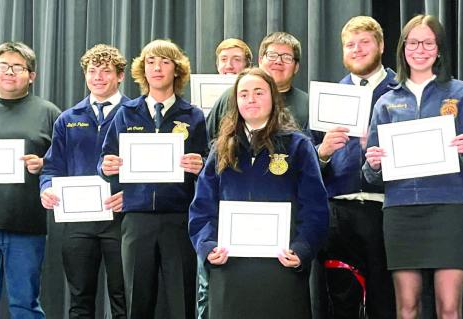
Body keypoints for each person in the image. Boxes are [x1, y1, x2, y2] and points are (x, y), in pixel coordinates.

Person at [188, 67, 329, 319]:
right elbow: (202, 207)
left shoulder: (298, 145)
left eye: (258, 92)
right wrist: (207, 246)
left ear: (273, 98)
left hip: (281, 268)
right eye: (243, 94)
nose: (250, 99)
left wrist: (302, 248)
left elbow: (316, 208)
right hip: (229, 267)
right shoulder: (221, 148)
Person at [363, 14, 463, 319]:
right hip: (401, 210)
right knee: (407, 308)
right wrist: (373, 163)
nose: (420, 49)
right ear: (402, 48)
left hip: (449, 207)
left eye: (429, 42)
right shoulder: (386, 102)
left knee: (450, 308)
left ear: (439, 49)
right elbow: (371, 175)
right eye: (413, 42)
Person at [99, 39, 208, 319]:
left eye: (165, 62)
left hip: (179, 218)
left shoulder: (193, 115)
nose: (157, 68)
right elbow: (106, 159)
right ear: (142, 70)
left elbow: (209, 166)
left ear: (177, 70)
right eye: (150, 62)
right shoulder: (126, 112)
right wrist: (107, 167)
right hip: (137, 219)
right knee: (137, 298)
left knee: (182, 298)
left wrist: (202, 165)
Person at [312, 16, 396, 319]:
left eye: (364, 42)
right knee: (340, 299)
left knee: (385, 299)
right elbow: (310, 163)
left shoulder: (401, 91)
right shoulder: (330, 95)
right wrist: (322, 152)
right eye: (350, 44)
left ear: (381, 46)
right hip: (339, 211)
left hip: (387, 209)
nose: (357, 50)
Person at [39, 44, 128, 318]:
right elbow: (52, 166)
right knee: (80, 300)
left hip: (121, 220)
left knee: (123, 298)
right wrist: (46, 188)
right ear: (85, 75)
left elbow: (149, 171)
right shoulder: (68, 118)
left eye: (105, 71)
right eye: (92, 71)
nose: (98, 77)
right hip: (78, 222)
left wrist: (131, 195)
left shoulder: (135, 114)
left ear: (120, 76)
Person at [0, 41, 61, 318]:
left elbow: (64, 164)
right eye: (3, 65)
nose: (9, 71)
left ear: (31, 75)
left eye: (17, 67)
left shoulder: (49, 113)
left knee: (25, 305)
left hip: (27, 225)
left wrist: (43, 164)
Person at [196, 37, 252, 319]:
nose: (229, 66)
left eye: (236, 60)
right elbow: (206, 150)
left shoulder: (255, 97)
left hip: (249, 205)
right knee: (208, 284)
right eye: (223, 60)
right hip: (215, 203)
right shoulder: (201, 105)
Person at [206, 32, 308, 141]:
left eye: (287, 57)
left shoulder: (308, 104)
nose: (278, 61)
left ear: (296, 67)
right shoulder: (231, 96)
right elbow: (207, 143)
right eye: (272, 55)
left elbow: (315, 150)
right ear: (260, 61)